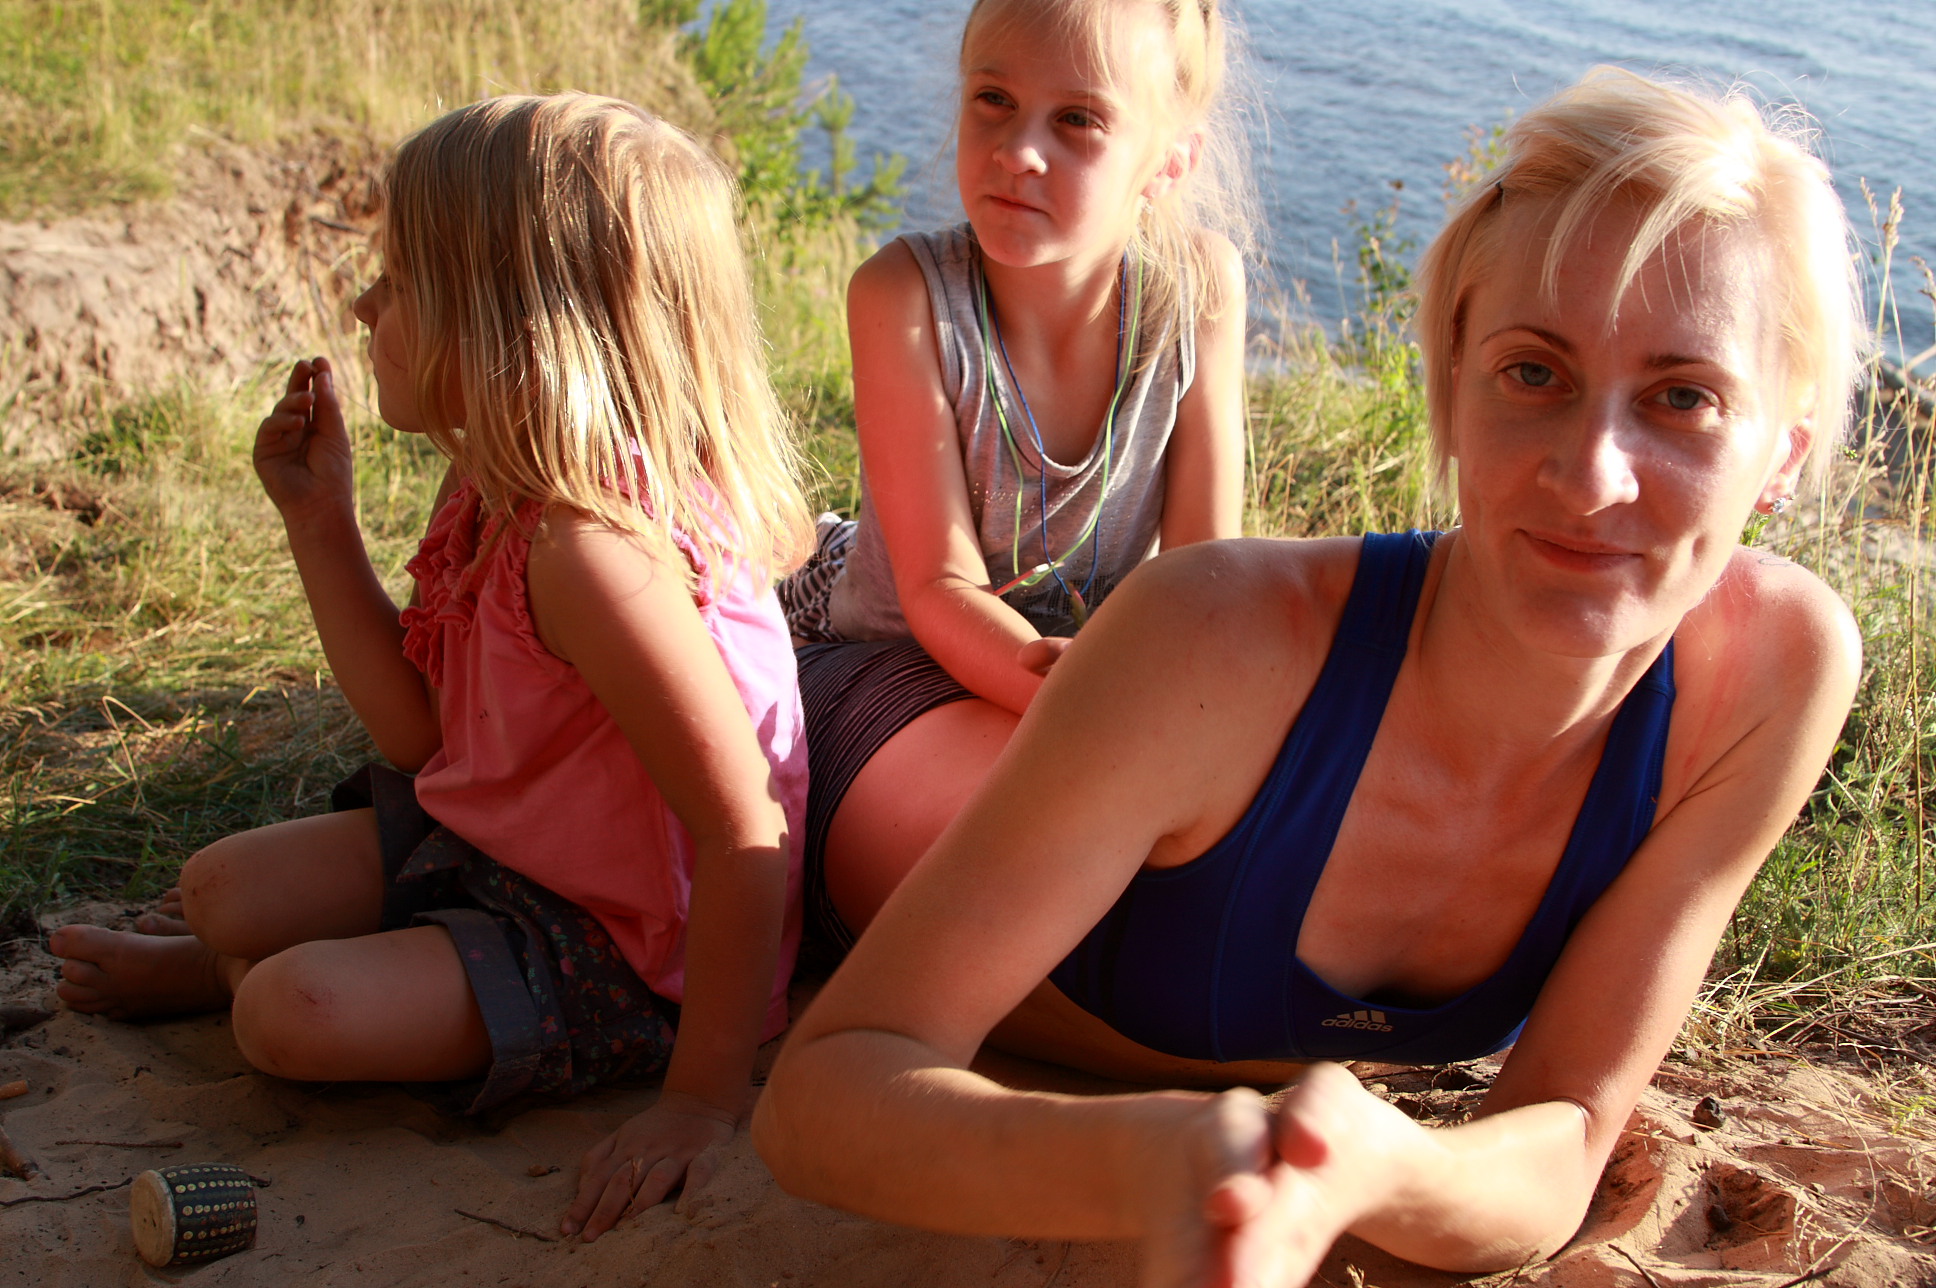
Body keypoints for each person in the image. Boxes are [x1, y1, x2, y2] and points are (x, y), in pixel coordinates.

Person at [753, 66, 1866, 1287]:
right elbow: (824, 1096)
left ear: (1784, 451)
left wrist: (1369, 1165)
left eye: (1683, 397)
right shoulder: (1220, 634)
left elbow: (1563, 1137)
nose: (1591, 475)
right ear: (1451, 380)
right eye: (1533, 373)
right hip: (857, 714)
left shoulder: (1767, 673)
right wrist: (1175, 1161)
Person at [49, 94, 812, 1244]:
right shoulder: (497, 485)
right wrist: (320, 522)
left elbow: (744, 830)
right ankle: (228, 962)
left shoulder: (594, 555)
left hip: (627, 940)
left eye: (399, 281)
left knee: (287, 1011)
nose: (366, 306)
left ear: (510, 327)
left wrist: (700, 1101)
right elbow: (421, 737)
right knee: (217, 890)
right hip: (512, 841)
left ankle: (241, 977)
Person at [779, 0, 1253, 945]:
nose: (1017, 151)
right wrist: (1092, 710)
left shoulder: (1197, 290)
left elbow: (1208, 572)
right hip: (887, 653)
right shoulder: (905, 293)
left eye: (1077, 119)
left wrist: (1178, 710)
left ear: (1170, 160)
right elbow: (937, 588)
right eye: (993, 99)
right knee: (1030, 855)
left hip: (1079, 682)